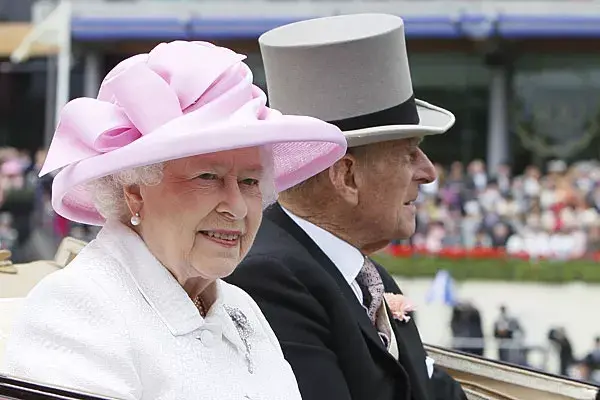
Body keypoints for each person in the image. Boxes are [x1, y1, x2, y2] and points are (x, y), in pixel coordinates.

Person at [2, 40, 347, 400]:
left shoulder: (240, 307)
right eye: (207, 178)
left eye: (249, 182)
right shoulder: (77, 307)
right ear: (135, 191)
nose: (238, 207)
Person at [226, 14, 466, 400]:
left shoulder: (367, 279)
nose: (428, 172)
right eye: (409, 153)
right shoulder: (270, 280)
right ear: (347, 176)